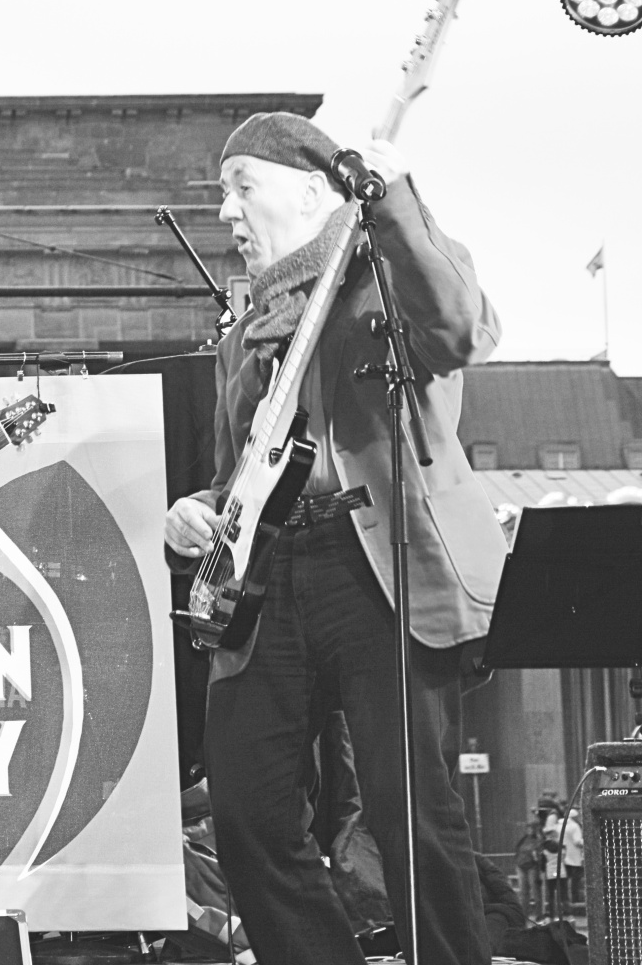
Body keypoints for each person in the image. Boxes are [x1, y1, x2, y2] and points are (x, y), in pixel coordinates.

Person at [163, 112, 506, 965]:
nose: (226, 212)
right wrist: (193, 511)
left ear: (314, 191)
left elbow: (462, 330)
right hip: (271, 574)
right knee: (246, 811)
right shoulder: (245, 335)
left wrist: (396, 201)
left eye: (243, 187)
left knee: (411, 810)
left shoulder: (388, 277)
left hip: (380, 561)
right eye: (222, 194)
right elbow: (239, 471)